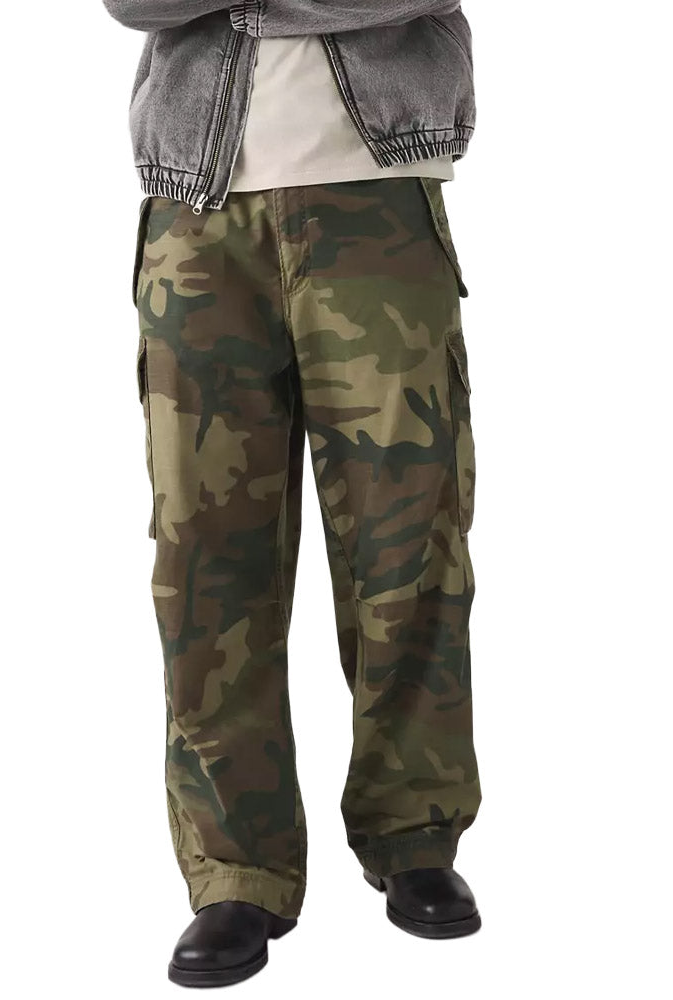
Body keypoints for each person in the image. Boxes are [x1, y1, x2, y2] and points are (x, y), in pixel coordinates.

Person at [101, 1, 482, 987]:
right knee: (204, 561)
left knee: (410, 539)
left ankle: (414, 834)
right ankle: (236, 873)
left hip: (377, 200)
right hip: (198, 219)